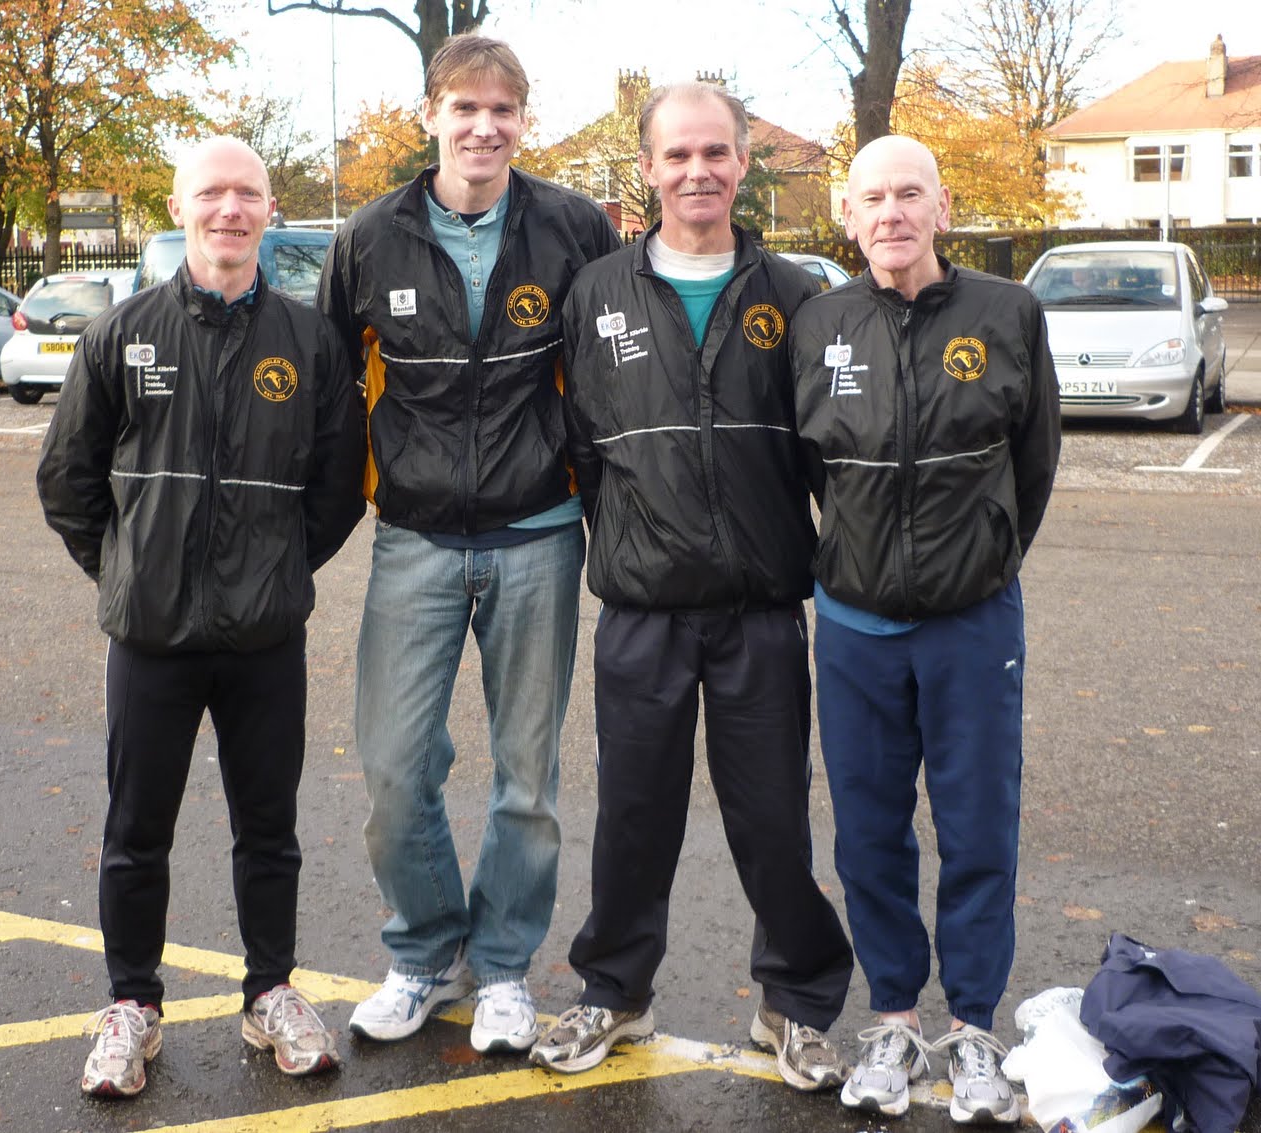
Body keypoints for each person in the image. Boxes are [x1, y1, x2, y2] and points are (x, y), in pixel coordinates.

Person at [528, 81, 854, 1088]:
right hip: (640, 610)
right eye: (677, 156)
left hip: (759, 608)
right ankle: (613, 993)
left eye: (715, 152)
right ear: (647, 168)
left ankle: (793, 1003)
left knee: (772, 818)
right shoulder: (597, 294)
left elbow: (829, 452)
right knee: (633, 813)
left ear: (743, 161)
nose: (696, 171)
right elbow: (579, 443)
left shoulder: (796, 293)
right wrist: (628, 539)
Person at [37, 136, 366, 1098]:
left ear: (269, 210)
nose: (231, 209)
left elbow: (339, 488)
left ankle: (271, 993)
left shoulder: (310, 343)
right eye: (212, 193)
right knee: (138, 826)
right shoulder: (123, 333)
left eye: (249, 194)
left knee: (270, 827)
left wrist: (274, 569)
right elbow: (68, 479)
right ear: (181, 208)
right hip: (153, 637)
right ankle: (132, 1005)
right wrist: (130, 572)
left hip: (266, 638)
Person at [317, 33, 620, 1055]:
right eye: (463, 108)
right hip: (414, 538)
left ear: (521, 122)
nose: (483, 126)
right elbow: (329, 394)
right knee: (399, 764)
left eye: (502, 110)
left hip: (540, 534)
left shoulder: (574, 226)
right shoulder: (370, 238)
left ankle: (500, 969)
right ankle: (421, 953)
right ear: (430, 117)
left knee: (525, 778)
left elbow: (618, 375)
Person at [788, 134, 1061, 1125]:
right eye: (873, 198)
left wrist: (980, 560)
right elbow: (803, 471)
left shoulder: (1006, 314)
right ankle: (896, 1018)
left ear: (941, 208)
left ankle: (973, 1026)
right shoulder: (817, 324)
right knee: (868, 832)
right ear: (848, 215)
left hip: (971, 623)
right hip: (854, 627)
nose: (892, 213)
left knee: (978, 826)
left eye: (910, 194)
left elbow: (1032, 470)